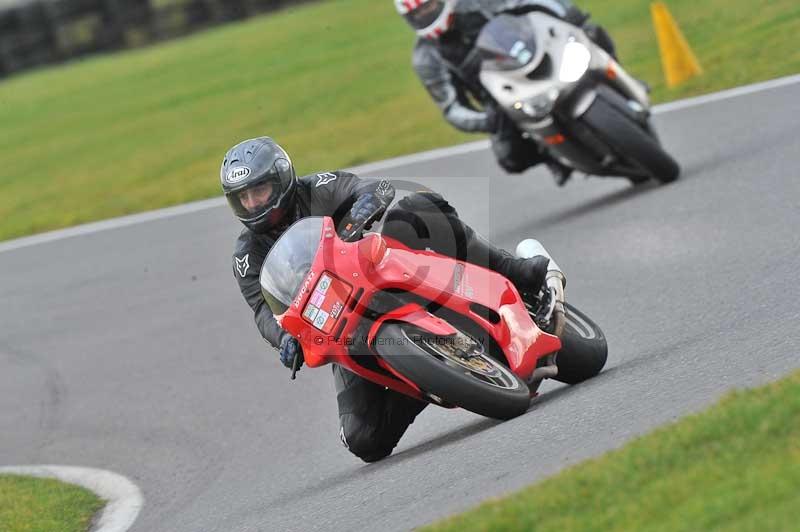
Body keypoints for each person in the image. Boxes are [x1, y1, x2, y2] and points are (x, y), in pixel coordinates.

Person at [223, 136, 552, 462]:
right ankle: (432, 375)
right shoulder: (247, 256)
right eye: (243, 198)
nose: (253, 204)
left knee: (414, 211)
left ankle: (516, 270)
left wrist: (361, 210)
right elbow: (262, 311)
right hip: (341, 325)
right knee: (363, 439)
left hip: (376, 269)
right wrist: (284, 338)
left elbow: (372, 188)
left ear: (281, 180)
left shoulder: (318, 188)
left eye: (259, 191)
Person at [395, 0, 618, 186]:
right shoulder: (426, 58)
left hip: (535, 55)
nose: (425, 14)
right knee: (509, 157)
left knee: (590, 32)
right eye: (418, 13)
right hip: (499, 98)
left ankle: (617, 77)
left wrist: (566, 14)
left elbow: (530, 1)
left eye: (429, 6)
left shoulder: (476, 3)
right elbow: (451, 107)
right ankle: (554, 157)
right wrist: (487, 120)